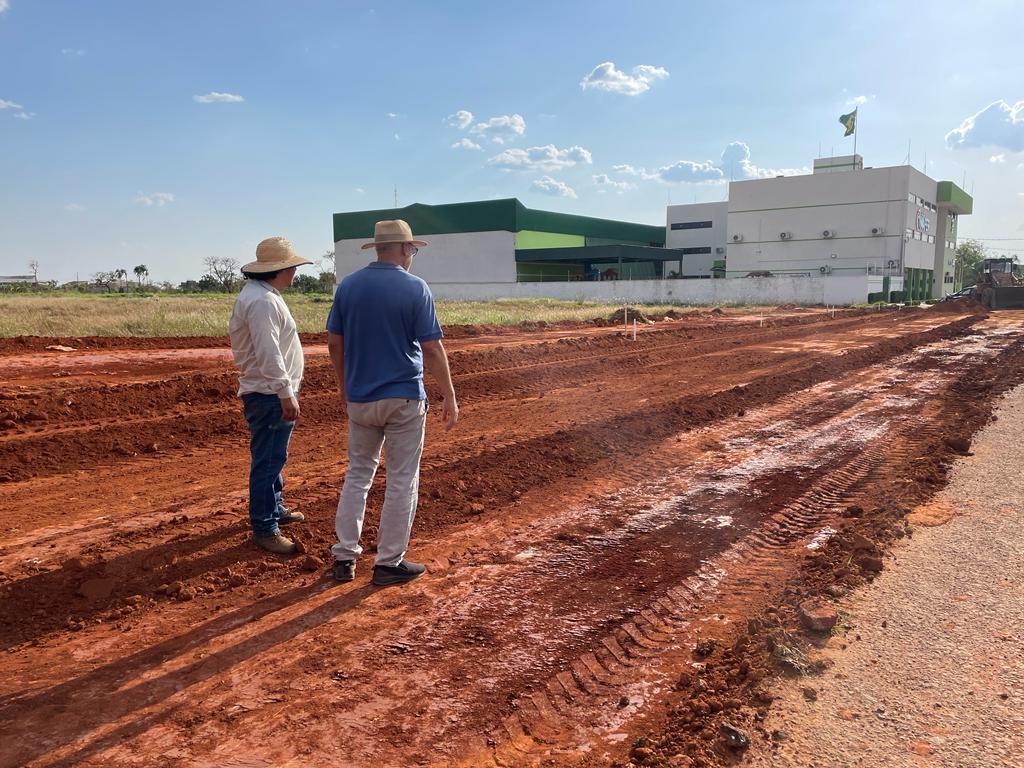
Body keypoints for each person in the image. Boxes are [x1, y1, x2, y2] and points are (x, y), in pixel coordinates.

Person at [326, 219, 458, 586]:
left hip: (361, 399)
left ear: (378, 249)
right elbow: (431, 348)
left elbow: (335, 344)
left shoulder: (348, 287)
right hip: (402, 398)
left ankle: (344, 556)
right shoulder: (415, 288)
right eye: (411, 250)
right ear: (402, 249)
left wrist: (343, 386)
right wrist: (449, 394)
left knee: (357, 475)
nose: (412, 256)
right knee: (401, 479)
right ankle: (388, 562)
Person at [229, 237, 313, 555]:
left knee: (273, 457)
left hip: (267, 392)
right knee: (268, 461)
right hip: (268, 393)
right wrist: (285, 392)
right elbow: (269, 353)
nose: (295, 273)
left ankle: (274, 508)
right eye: (293, 267)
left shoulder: (262, 295)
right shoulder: (262, 302)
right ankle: (265, 527)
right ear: (279, 269)